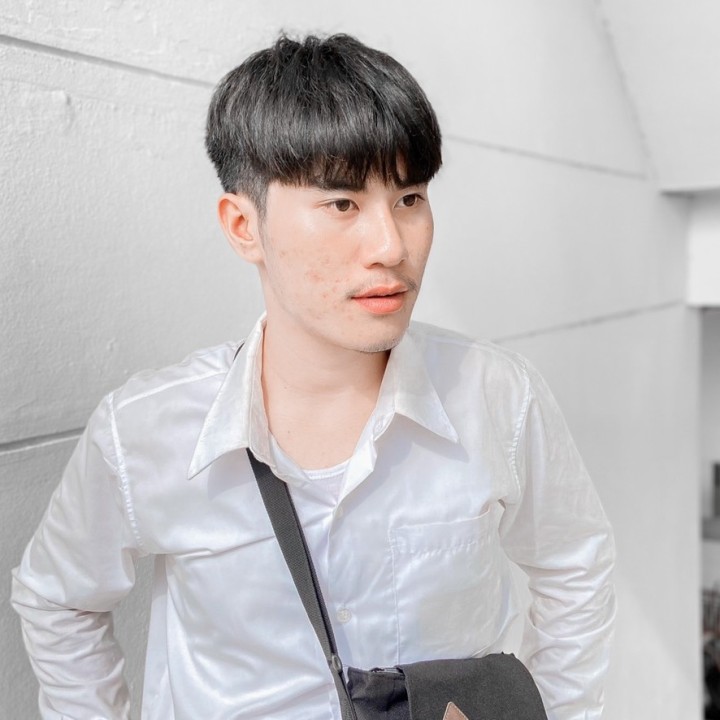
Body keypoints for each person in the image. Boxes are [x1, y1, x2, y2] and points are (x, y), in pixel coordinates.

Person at [11, 33, 615, 720]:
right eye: (342, 204)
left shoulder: (497, 396)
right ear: (244, 226)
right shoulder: (146, 430)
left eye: (410, 197)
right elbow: (57, 600)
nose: (391, 246)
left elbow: (576, 564)